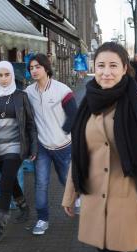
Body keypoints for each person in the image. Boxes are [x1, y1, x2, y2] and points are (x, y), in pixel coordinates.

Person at [62, 42, 137, 252]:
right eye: (101, 65)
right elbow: (79, 153)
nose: (106, 72)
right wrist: (70, 193)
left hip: (126, 202)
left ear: (125, 68)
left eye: (113, 65)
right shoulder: (87, 104)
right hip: (93, 199)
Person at [0, 61, 38, 242]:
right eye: (0, 75)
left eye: (7, 75)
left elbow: (30, 124)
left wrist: (33, 147)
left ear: (12, 75)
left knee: (4, 184)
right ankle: (24, 206)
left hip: (15, 147)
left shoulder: (21, 96)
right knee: (10, 182)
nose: (3, 79)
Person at [25, 53, 78, 235]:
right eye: (31, 68)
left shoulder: (62, 90)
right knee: (41, 183)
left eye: (37, 67)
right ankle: (42, 219)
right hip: (42, 147)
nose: (34, 70)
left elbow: (74, 115)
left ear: (46, 68)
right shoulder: (28, 92)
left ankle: (76, 198)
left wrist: (63, 132)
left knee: (66, 180)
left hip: (64, 146)